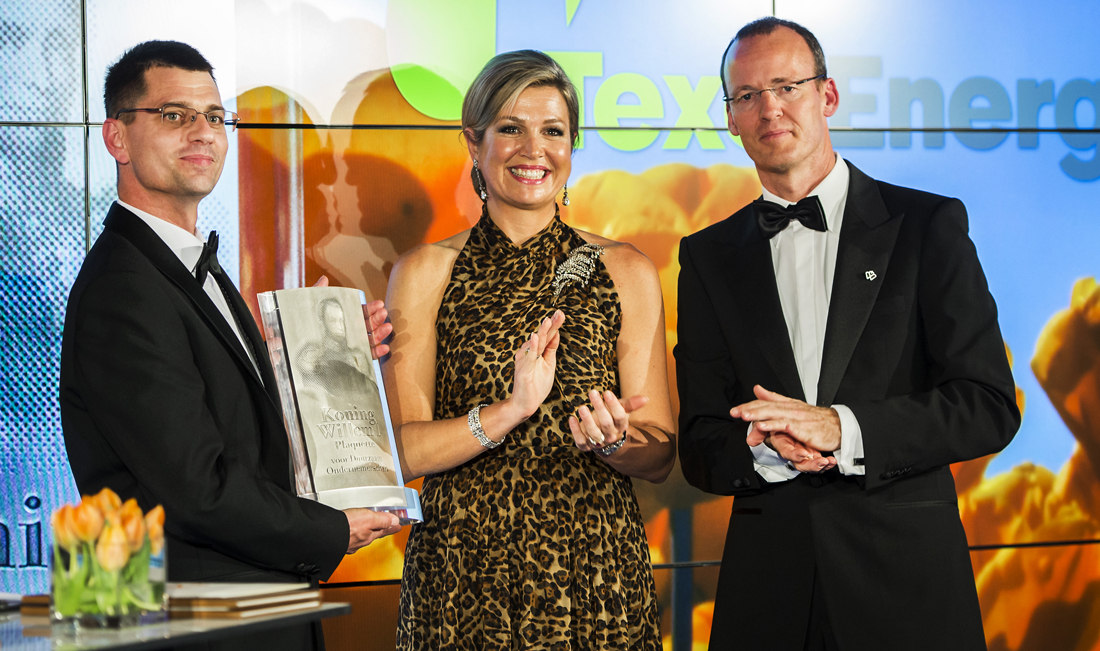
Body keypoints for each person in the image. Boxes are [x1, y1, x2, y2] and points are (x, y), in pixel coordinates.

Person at [675, 18, 1021, 651]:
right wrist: (763, 448)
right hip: (768, 596)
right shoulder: (706, 256)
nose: (769, 109)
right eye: (747, 95)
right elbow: (700, 444)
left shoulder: (926, 224)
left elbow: (988, 405)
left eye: (787, 86)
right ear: (730, 118)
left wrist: (843, 428)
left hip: (907, 590)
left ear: (827, 95)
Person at [59, 40, 401, 650]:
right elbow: (197, 487)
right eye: (174, 115)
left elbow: (231, 421)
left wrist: (311, 357)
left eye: (215, 117)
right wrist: (329, 532)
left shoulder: (186, 266)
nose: (203, 132)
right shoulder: (123, 287)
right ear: (117, 137)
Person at [385, 50, 676, 649]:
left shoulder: (624, 270)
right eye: (511, 128)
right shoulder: (425, 272)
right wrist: (509, 411)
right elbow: (405, 452)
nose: (534, 149)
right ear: (474, 142)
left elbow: (660, 454)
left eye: (553, 131)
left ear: (573, 144)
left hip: (594, 567)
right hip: (462, 570)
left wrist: (615, 442)